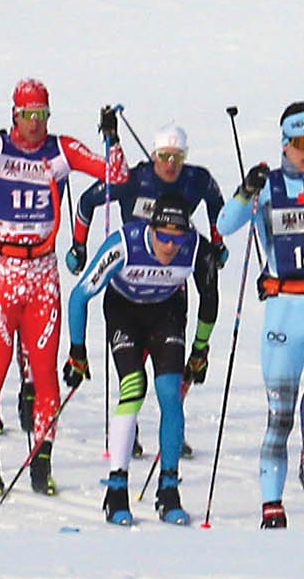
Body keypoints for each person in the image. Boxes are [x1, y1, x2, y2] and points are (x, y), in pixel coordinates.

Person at [0, 81, 115, 496]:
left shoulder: (59, 149)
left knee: (45, 373)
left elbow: (114, 174)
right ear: (14, 115)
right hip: (2, 269)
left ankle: (41, 463)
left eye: (43, 115)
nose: (36, 123)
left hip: (42, 272)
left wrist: (112, 138)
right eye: (29, 115)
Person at [77, 121, 224, 525]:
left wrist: (200, 350)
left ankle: (169, 490)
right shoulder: (125, 241)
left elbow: (210, 298)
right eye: (163, 237)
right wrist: (76, 351)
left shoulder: (194, 245)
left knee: (170, 396)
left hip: (166, 312)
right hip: (124, 309)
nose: (169, 245)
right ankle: (117, 489)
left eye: (178, 237)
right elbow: (79, 296)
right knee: (133, 389)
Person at [223, 102, 304, 528]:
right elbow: (225, 224)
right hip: (284, 316)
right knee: (279, 416)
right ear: (283, 144)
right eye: (298, 142)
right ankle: (271, 508)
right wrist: (247, 189)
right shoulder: (269, 187)